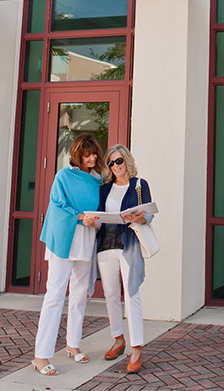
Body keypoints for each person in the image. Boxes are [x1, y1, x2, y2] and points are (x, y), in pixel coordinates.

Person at [31, 133, 105, 376]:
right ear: (77, 155)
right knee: (55, 295)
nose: (92, 158)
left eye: (94, 153)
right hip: (64, 239)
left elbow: (100, 213)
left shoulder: (98, 181)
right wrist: (83, 217)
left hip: (86, 240)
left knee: (80, 294)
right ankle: (41, 356)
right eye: (87, 154)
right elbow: (58, 205)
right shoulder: (63, 176)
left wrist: (96, 222)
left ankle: (73, 344)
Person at [95, 144, 154, 374]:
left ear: (126, 161)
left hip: (128, 244)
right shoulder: (104, 189)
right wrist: (94, 221)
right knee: (110, 295)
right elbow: (100, 215)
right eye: (111, 163)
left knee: (132, 295)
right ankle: (118, 339)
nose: (115, 166)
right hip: (105, 245)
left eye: (118, 161)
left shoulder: (140, 185)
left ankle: (137, 348)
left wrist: (139, 218)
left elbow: (148, 214)